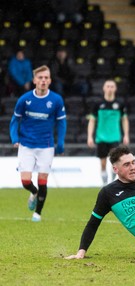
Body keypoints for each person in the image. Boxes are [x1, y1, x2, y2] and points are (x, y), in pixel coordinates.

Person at [9, 65, 67, 222]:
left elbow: (61, 123)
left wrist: (60, 142)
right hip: (26, 145)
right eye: (40, 78)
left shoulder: (56, 100)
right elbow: (15, 120)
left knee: (43, 181)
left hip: (46, 146)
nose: (43, 80)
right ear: (34, 80)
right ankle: (33, 193)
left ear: (50, 80)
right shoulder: (24, 99)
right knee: (26, 181)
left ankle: (37, 214)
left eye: (46, 78)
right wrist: (15, 138)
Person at [87, 79, 130, 185]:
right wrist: (89, 136)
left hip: (114, 137)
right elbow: (92, 121)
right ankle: (105, 183)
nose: (110, 88)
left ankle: (112, 183)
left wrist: (126, 135)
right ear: (104, 88)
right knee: (103, 163)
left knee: (115, 162)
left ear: (115, 88)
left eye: (112, 86)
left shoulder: (120, 104)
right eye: (108, 86)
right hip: (101, 137)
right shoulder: (98, 104)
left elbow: (124, 120)